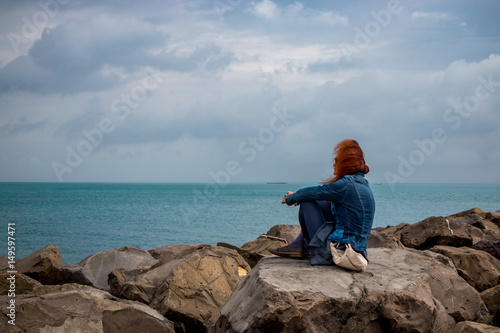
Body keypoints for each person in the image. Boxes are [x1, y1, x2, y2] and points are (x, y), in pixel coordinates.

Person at [269, 139, 375, 265]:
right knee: (322, 202)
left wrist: (291, 198)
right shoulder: (362, 183)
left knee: (307, 201)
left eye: (336, 161)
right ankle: (298, 245)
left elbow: (314, 191)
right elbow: (321, 195)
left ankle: (303, 247)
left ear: (345, 163)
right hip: (358, 251)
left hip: (342, 252)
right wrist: (299, 196)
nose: (334, 164)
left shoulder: (346, 185)